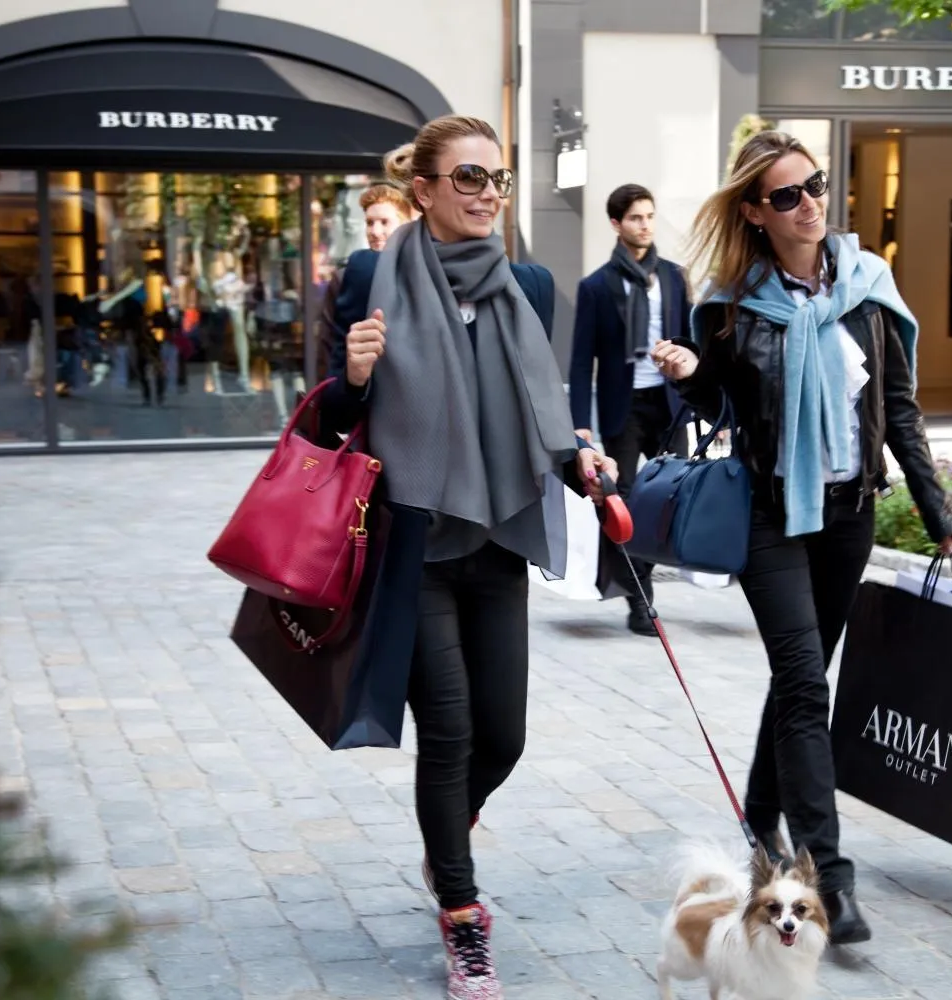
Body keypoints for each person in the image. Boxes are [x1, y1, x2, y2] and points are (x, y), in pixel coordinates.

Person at [319, 115, 618, 1000]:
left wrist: (582, 459)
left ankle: (444, 832)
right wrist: (356, 377)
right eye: (468, 179)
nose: (487, 193)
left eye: (496, 179)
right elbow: (334, 417)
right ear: (423, 190)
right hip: (412, 538)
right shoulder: (375, 273)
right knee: (447, 729)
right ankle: (461, 912)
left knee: (506, 736)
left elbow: (544, 407)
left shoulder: (524, 280)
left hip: (496, 536)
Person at [651, 130, 952, 946]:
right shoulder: (729, 302)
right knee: (802, 685)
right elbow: (719, 405)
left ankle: (761, 822)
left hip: (849, 512)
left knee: (801, 682)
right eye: (788, 196)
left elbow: (898, 407)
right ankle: (827, 875)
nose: (811, 204)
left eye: (816, 186)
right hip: (770, 514)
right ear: (757, 213)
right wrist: (690, 375)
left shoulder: (866, 286)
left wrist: (939, 511)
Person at [568, 183, 694, 634]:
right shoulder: (597, 286)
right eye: (636, 218)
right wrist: (580, 425)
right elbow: (582, 360)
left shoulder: (677, 278)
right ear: (617, 224)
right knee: (621, 502)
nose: (645, 225)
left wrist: (706, 403)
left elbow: (691, 344)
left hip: (670, 403)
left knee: (667, 502)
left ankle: (639, 589)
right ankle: (640, 600)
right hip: (625, 408)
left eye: (649, 216)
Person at [314, 183, 416, 381]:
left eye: (385, 222)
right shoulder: (344, 276)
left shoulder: (421, 272)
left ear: (405, 225)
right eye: (370, 223)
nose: (375, 231)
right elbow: (329, 344)